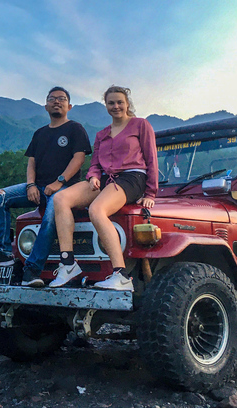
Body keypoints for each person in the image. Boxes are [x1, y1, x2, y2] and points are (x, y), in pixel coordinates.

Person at [0, 87, 92, 288]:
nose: (57, 102)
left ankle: (32, 269)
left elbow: (79, 158)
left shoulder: (75, 129)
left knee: (49, 217)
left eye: (62, 99)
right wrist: (30, 185)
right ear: (45, 106)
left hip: (66, 189)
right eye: (52, 99)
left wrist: (59, 182)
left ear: (69, 106)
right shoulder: (40, 133)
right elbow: (32, 163)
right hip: (38, 186)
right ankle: (2, 252)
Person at [49, 85, 158, 291]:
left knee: (97, 210)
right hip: (106, 179)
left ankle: (121, 275)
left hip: (133, 177)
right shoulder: (102, 134)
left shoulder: (140, 125)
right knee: (60, 199)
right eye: (111, 103)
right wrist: (92, 177)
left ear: (127, 104)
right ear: (106, 106)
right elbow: (95, 164)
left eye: (119, 102)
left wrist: (151, 193)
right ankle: (68, 264)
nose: (115, 106)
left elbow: (151, 159)